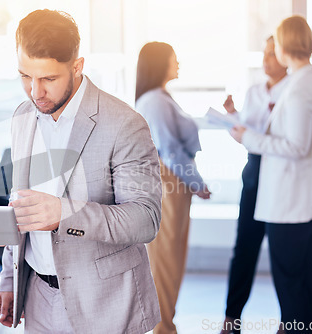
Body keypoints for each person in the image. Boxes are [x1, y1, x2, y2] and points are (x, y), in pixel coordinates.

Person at [0, 9, 162, 333]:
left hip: (106, 304)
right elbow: (21, 207)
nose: (34, 92)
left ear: (77, 66)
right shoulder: (22, 116)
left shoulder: (125, 124)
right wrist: (9, 278)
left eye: (48, 79)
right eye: (25, 76)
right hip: (37, 298)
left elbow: (145, 220)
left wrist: (63, 214)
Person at [230, 16, 312, 333]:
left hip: (291, 204)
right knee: (302, 281)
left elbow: (297, 146)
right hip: (301, 201)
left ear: (286, 46)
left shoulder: (301, 88)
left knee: (293, 283)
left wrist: (248, 137)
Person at [135, 41, 211, 334]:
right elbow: (170, 151)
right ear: (159, 63)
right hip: (168, 185)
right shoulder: (155, 100)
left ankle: (165, 324)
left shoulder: (161, 98)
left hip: (173, 185)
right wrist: (198, 183)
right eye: (173, 59)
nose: (178, 63)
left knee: (171, 257)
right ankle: (163, 327)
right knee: (166, 261)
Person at [220, 36, 289, 334]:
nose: (266, 59)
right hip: (254, 172)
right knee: (244, 248)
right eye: (264, 53)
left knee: (283, 251)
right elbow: (246, 131)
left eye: (273, 54)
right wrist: (232, 115)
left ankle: (290, 319)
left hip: (282, 175)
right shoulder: (253, 91)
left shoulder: (293, 90)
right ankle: (231, 318)